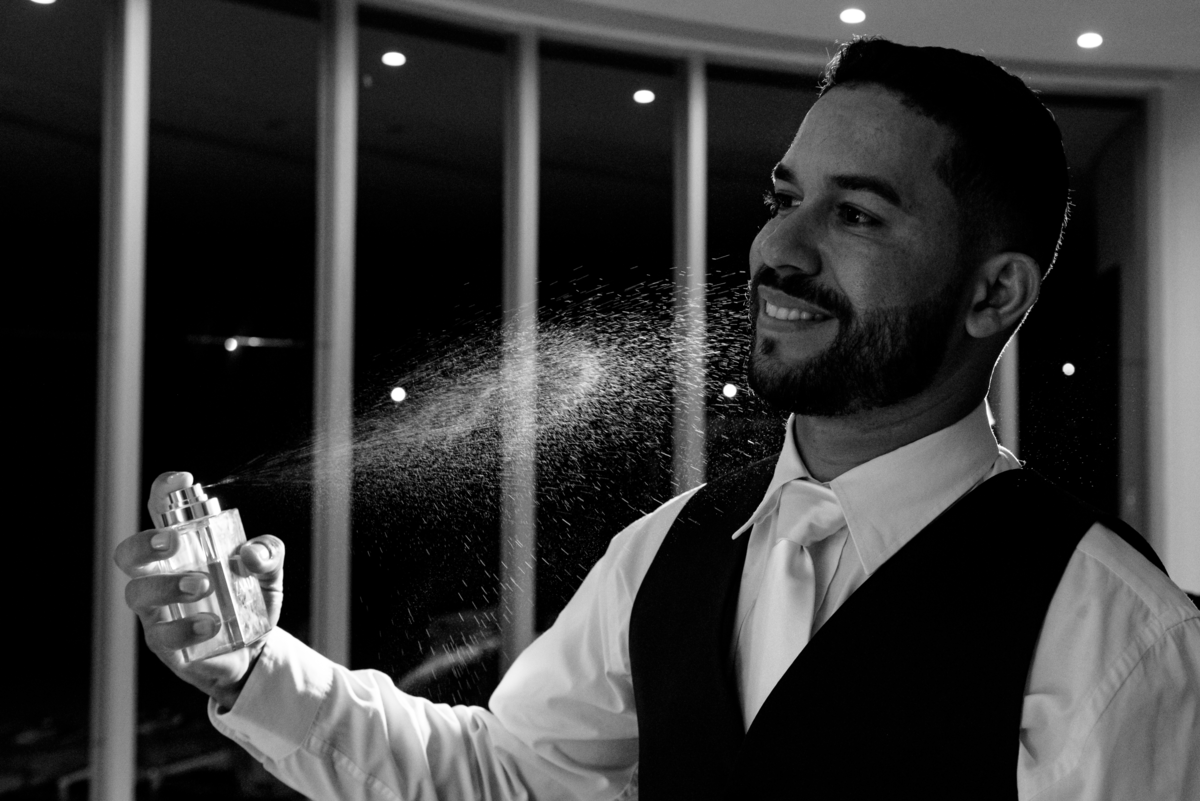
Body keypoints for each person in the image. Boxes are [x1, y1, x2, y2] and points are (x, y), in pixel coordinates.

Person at [115, 37, 1200, 799]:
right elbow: (511, 778)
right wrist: (251, 668)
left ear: (995, 294)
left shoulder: (1118, 632)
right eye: (786, 198)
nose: (780, 247)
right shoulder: (669, 549)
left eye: (858, 214)